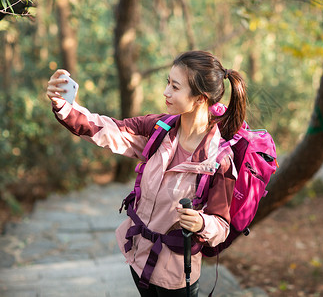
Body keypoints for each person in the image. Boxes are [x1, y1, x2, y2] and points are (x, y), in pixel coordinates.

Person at [46, 50, 247, 297]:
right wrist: (65, 106)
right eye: (168, 82)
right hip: (138, 259)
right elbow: (107, 129)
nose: (166, 92)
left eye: (175, 86)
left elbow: (221, 225)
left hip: (175, 277)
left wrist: (201, 223)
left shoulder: (219, 160)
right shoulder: (158, 130)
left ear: (200, 99)